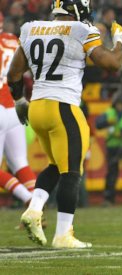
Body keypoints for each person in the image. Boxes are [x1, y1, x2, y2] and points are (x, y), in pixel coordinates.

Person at [7, 0, 122, 248]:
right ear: (79, 10)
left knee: (55, 166)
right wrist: (119, 41)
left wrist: (20, 101)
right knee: (72, 172)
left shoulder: (31, 28)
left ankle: (34, 209)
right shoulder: (82, 30)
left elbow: (14, 74)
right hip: (63, 107)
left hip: (37, 107)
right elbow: (113, 64)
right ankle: (63, 234)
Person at [0, 12, 36, 205]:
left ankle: (29, 198)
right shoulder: (12, 40)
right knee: (21, 163)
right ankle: (37, 207)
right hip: (14, 106)